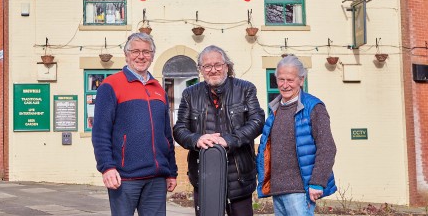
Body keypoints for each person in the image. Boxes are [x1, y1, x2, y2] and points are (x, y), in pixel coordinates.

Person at [173, 45, 265, 216]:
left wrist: (230, 139)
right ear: (200, 69)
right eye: (207, 66)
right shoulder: (189, 94)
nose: (213, 70)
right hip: (204, 178)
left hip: (239, 178)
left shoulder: (246, 89)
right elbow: (179, 129)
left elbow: (257, 121)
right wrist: (196, 139)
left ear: (226, 66)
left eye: (218, 65)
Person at [92, 32, 177, 216]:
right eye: (135, 51)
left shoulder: (159, 90)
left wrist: (171, 171)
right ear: (126, 54)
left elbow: (166, 135)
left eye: (146, 52)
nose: (141, 56)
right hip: (125, 177)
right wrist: (107, 167)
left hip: (156, 178)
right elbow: (100, 133)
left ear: (152, 56)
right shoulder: (110, 85)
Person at [256, 55, 337, 216]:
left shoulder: (314, 108)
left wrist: (317, 182)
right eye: (281, 79)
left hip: (300, 190)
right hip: (278, 189)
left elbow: (327, 147)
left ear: (301, 80)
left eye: (290, 80)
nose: (285, 85)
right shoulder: (275, 109)